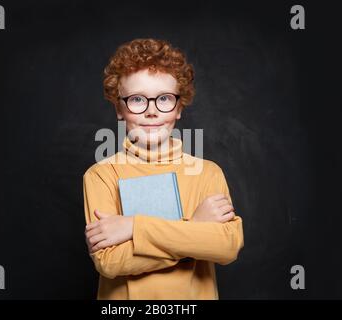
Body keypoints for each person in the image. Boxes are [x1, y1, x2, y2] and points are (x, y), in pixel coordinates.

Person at [83, 38, 244, 299]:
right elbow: (110, 262)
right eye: (137, 100)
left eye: (165, 99)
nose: (152, 112)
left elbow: (226, 247)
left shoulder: (207, 173)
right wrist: (195, 227)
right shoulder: (101, 175)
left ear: (179, 107)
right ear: (119, 109)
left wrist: (134, 228)